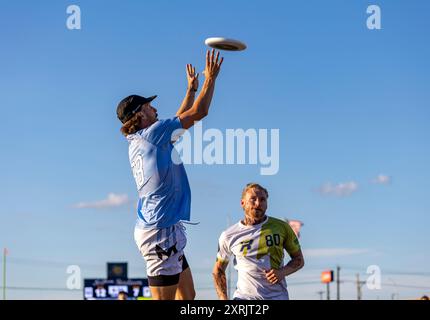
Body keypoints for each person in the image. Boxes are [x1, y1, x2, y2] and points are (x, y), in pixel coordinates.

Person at [117, 50, 224, 300]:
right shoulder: (154, 134)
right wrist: (211, 78)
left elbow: (178, 123)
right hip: (158, 231)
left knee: (187, 297)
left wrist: (190, 90)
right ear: (140, 115)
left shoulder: (142, 138)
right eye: (149, 105)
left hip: (164, 226)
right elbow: (199, 113)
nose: (154, 108)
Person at [212, 183, 305, 300]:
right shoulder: (228, 235)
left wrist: (282, 272)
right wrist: (223, 298)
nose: (258, 203)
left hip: (277, 296)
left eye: (262, 200)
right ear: (242, 203)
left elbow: (299, 260)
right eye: (253, 199)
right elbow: (218, 270)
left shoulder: (282, 227)